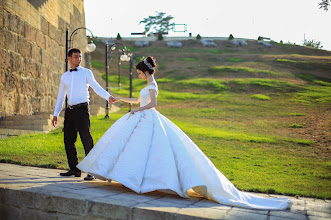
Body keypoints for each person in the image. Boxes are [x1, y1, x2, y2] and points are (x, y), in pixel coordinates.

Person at [77, 57, 293, 210]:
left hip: (147, 117)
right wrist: (122, 99)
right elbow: (138, 99)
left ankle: (143, 181)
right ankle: (132, 179)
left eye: (139, 72)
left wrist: (137, 110)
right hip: (141, 116)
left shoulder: (152, 84)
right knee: (135, 150)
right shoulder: (147, 84)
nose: (139, 75)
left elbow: (152, 104)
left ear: (146, 71)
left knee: (150, 150)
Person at [52, 48, 116, 181]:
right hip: (69, 111)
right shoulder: (65, 76)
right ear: (69, 59)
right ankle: (74, 169)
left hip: (82, 110)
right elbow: (60, 96)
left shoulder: (86, 72)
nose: (79, 59)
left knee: (86, 139)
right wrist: (55, 114)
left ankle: (91, 171)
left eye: (80, 57)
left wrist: (108, 97)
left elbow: (96, 87)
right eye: (76, 57)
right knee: (68, 141)